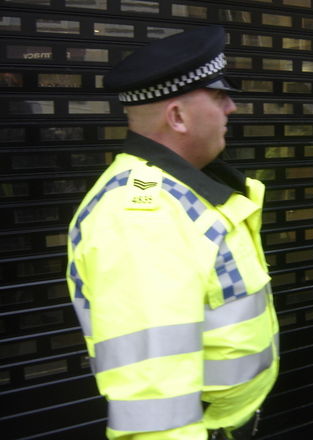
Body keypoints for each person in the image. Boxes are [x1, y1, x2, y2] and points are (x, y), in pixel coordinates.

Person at [65, 25, 279, 440]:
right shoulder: (139, 217)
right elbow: (155, 410)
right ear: (177, 116)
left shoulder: (177, 191)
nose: (231, 107)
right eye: (218, 96)